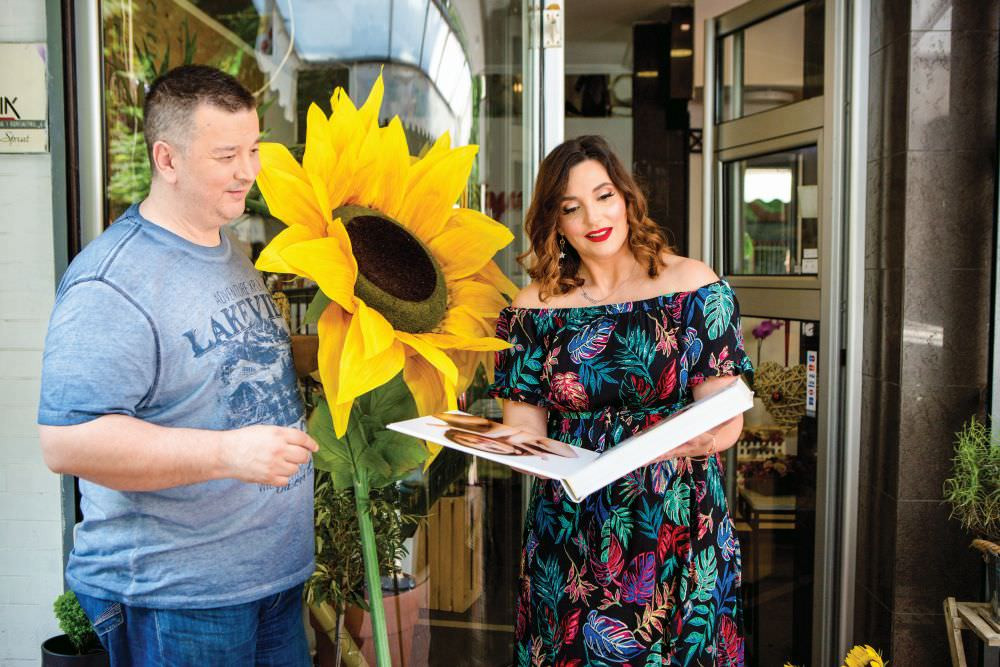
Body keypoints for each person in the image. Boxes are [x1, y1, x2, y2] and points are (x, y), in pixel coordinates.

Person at [37, 65, 318, 666]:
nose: (248, 171)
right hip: (177, 601)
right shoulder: (111, 282)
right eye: (226, 155)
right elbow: (68, 442)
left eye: (253, 149)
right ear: (167, 159)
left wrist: (327, 353)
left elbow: (218, 362)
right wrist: (229, 454)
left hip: (266, 583)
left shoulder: (223, 247)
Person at [488, 135, 754, 665]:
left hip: (675, 519)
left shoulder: (694, 285)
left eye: (604, 195)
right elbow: (524, 430)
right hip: (570, 528)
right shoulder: (532, 308)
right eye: (571, 207)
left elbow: (726, 414)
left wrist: (694, 441)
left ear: (627, 198)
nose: (593, 217)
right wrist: (498, 443)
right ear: (555, 222)